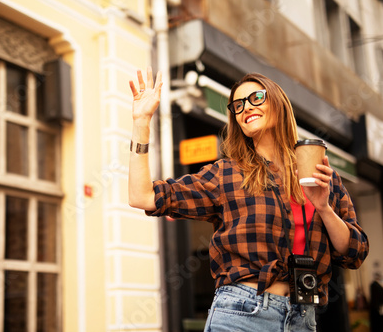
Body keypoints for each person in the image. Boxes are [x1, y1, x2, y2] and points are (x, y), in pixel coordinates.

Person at [128, 67, 369, 331]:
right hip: (242, 313)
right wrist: (141, 123)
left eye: (256, 98)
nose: (245, 108)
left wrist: (324, 208)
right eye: (238, 105)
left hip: (302, 319)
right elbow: (143, 196)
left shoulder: (322, 174)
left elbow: (354, 253)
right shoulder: (225, 174)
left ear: (277, 103)